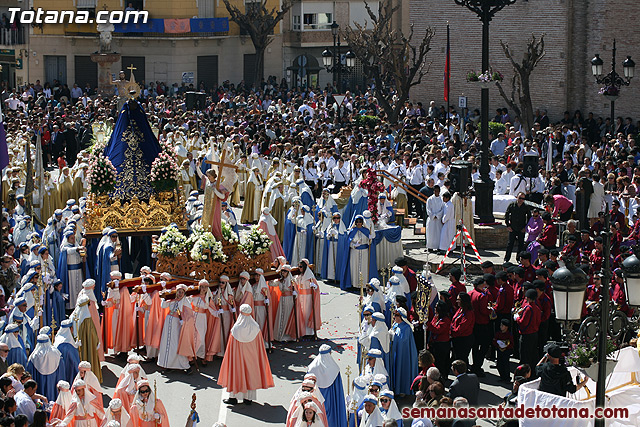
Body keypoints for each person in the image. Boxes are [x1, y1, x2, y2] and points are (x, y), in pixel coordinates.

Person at [218, 304, 275, 405]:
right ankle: (248, 398)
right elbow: (260, 346)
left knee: (236, 374)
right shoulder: (256, 328)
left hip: (237, 358)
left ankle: (233, 397)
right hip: (252, 358)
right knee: (250, 375)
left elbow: (231, 347)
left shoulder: (236, 329)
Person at [157, 284, 198, 373]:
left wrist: (184, 321)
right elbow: (163, 306)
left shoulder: (185, 301)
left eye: (182, 292)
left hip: (177, 325)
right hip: (168, 324)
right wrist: (164, 297)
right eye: (179, 292)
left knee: (176, 344)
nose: (180, 294)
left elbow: (190, 315)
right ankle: (168, 365)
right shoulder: (172, 300)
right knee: (167, 343)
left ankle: (185, 366)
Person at [306, 344, 347, 427]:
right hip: (331, 399)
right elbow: (338, 390)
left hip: (316, 399)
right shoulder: (334, 368)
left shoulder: (312, 367)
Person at [26, 334, 66, 402]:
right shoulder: (56, 354)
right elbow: (61, 373)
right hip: (53, 381)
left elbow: (30, 372)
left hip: (39, 382)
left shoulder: (34, 356)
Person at [389, 308, 417, 396]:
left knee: (402, 370)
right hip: (395, 351)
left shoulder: (407, 328)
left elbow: (403, 341)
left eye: (396, 315)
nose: (394, 317)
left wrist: (394, 337)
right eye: (394, 315)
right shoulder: (395, 325)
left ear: (402, 317)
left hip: (403, 353)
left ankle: (402, 390)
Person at [504, 192, 531, 262]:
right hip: (513, 227)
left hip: (521, 228)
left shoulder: (525, 206)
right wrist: (508, 225)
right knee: (510, 244)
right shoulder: (512, 205)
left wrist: (526, 227)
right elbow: (507, 214)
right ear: (517, 197)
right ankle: (506, 259)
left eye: (523, 198)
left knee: (520, 244)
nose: (521, 200)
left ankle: (518, 258)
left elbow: (529, 217)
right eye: (520, 198)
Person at [425, 186, 444, 252]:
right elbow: (428, 209)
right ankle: (430, 246)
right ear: (433, 191)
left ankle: (438, 246)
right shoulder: (430, 199)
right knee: (431, 233)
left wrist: (438, 215)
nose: (437, 192)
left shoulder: (442, 199)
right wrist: (433, 215)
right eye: (435, 191)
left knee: (438, 233)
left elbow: (442, 209)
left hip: (438, 220)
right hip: (431, 220)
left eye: (438, 191)